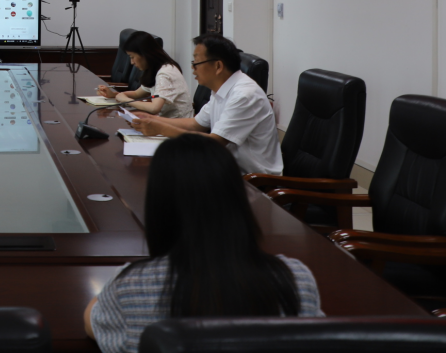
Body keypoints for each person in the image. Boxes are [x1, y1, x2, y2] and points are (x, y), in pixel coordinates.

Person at [84, 135, 321, 353]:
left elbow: (92, 322)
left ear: (158, 206)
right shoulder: (296, 279)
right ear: (239, 200)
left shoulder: (130, 286)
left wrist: (110, 290)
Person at [129, 33, 283, 176]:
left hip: (252, 180)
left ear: (218, 66)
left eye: (196, 63)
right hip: (224, 168)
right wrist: (152, 119)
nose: (192, 68)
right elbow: (196, 124)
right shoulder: (221, 89)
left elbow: (215, 142)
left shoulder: (244, 95)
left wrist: (160, 128)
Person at [96, 31, 192, 118]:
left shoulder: (165, 73)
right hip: (165, 122)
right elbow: (137, 93)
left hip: (179, 127)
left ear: (144, 54)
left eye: (132, 57)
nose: (132, 62)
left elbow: (154, 108)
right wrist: (114, 95)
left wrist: (126, 100)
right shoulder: (155, 69)